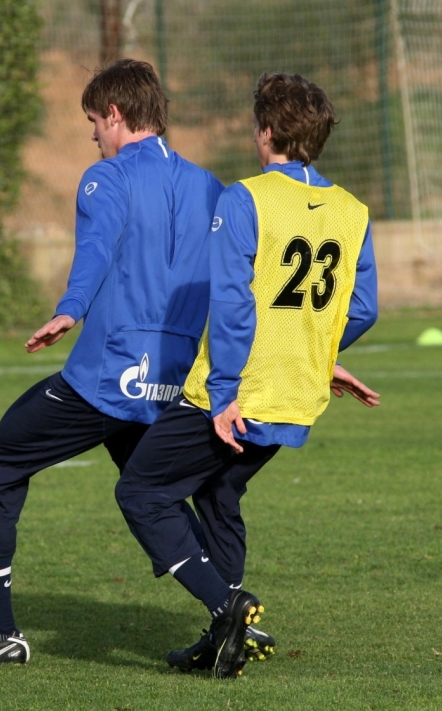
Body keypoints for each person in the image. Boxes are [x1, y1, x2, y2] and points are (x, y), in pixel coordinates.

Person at [0, 59, 230, 665]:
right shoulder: (209, 184)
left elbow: (96, 252)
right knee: (157, 498)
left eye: (94, 121)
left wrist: (69, 309)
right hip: (173, 379)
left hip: (110, 376)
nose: (93, 134)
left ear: (116, 115)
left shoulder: (106, 179)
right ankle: (230, 614)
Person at [114, 72, 380, 679]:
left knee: (140, 491)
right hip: (296, 395)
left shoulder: (246, 198)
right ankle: (224, 640)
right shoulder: (352, 210)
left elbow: (234, 305)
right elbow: (360, 309)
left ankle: (228, 606)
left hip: (235, 391)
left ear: (266, 132)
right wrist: (315, 353)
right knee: (218, 492)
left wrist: (224, 396)